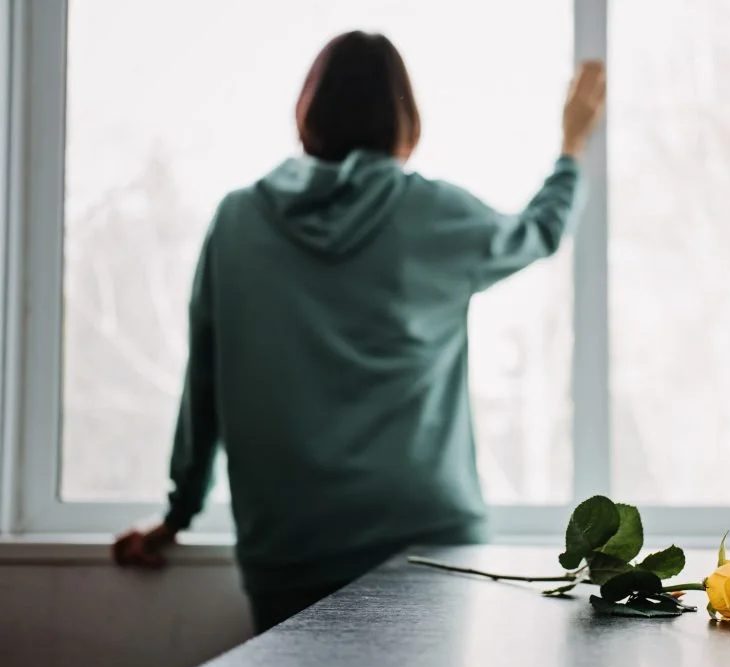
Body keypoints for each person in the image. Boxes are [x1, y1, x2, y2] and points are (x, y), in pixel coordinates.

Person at [112, 30, 606, 635]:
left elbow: (204, 385)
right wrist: (572, 144)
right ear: (408, 123)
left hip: (289, 554)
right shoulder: (432, 214)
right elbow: (541, 231)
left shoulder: (238, 220)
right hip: (429, 548)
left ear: (306, 115)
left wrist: (178, 513)